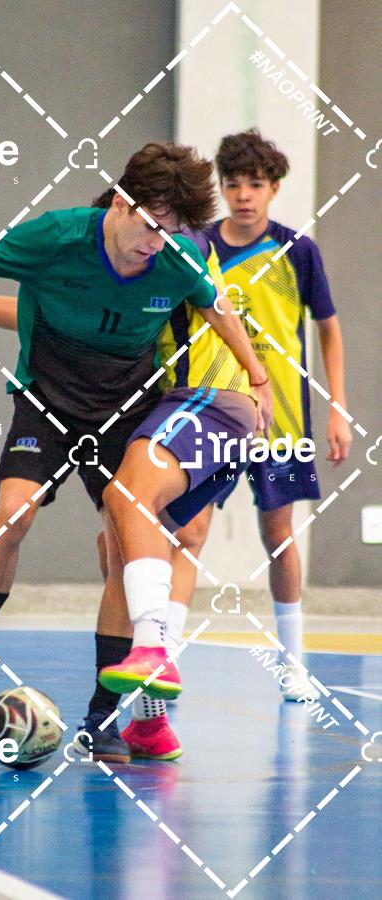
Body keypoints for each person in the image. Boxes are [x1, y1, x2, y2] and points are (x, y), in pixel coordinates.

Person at [0, 142, 271, 763]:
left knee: (124, 545)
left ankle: (102, 717)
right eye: (151, 226)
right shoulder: (57, 237)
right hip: (47, 402)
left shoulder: (176, 258)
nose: (156, 243)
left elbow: (217, 309)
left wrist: (258, 377)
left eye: (169, 232)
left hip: (125, 410)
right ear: (121, 202)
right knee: (14, 514)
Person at [122, 129, 352, 705]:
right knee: (189, 531)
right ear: (221, 189)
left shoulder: (298, 251)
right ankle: (164, 656)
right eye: (234, 184)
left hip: (282, 418)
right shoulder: (195, 246)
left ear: (274, 189)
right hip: (209, 408)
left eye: (256, 184)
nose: (244, 195)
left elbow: (328, 329)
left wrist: (338, 408)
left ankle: (293, 662)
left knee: (278, 535)